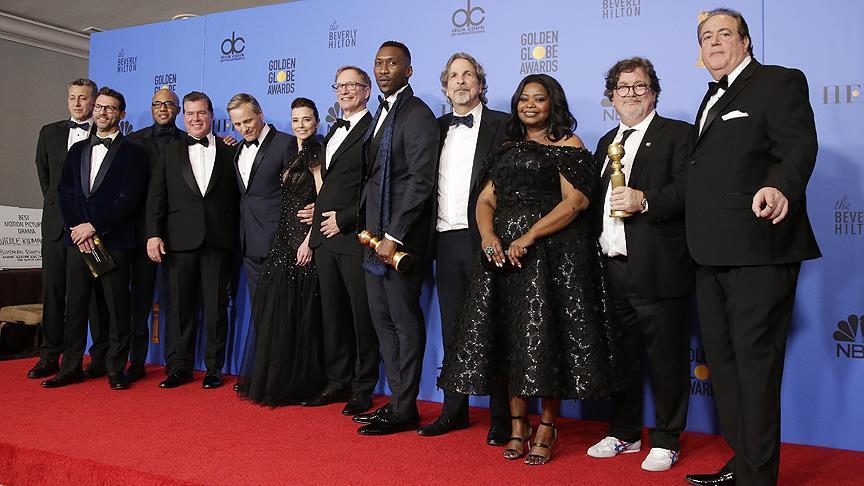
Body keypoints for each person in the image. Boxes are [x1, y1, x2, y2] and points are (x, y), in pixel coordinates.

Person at [438, 74, 617, 466]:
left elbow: (575, 202)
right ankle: (518, 428)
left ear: (553, 104)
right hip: (503, 259)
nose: (530, 105)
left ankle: (547, 428)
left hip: (550, 258)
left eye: (539, 98)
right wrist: (488, 236)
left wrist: (530, 235)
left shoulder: (569, 144)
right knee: (511, 341)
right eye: (524, 98)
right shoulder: (506, 147)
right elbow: (486, 199)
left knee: (545, 341)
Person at [684, 8, 820, 486]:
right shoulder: (710, 98)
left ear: (745, 42)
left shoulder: (778, 82)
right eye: (706, 36)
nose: (714, 42)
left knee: (755, 366)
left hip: (759, 249)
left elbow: (797, 147)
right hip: (708, 254)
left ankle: (757, 479)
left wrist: (781, 187)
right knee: (724, 368)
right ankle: (744, 463)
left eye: (725, 33)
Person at [585, 57, 694, 472]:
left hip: (659, 268)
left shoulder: (678, 135)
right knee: (621, 358)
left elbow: (689, 190)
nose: (630, 94)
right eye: (622, 87)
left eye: (639, 86)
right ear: (611, 96)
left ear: (654, 92)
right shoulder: (605, 143)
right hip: (611, 269)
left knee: (666, 360)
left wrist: (644, 199)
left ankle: (667, 439)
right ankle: (625, 433)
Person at [417, 52, 510, 444]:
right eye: (453, 76)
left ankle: (503, 418)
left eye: (467, 74)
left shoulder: (504, 125)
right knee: (453, 330)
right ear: (445, 87)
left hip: (487, 239)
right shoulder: (435, 129)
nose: (460, 81)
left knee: (496, 328)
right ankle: (454, 411)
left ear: (480, 84)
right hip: (444, 240)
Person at [353, 41, 439, 436]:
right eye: (378, 63)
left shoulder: (417, 113)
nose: (384, 69)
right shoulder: (382, 113)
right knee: (383, 321)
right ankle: (397, 401)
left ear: (409, 70)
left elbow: (420, 180)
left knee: (403, 322)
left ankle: (406, 408)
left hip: (398, 241)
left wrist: (393, 235)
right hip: (373, 238)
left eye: (392, 63)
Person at [44, 86, 149, 390]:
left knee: (117, 309)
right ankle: (70, 368)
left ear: (121, 114)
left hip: (114, 242)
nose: (103, 112)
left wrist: (94, 226)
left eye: (110, 108)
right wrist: (78, 229)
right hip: (79, 242)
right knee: (76, 307)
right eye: (100, 107)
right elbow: (64, 193)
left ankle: (116, 369)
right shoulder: (77, 150)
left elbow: (128, 198)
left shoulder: (134, 152)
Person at [145, 91, 240, 390]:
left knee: (215, 308)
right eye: (190, 113)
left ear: (211, 115)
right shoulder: (169, 152)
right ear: (182, 116)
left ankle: (214, 368)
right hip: (178, 240)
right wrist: (153, 234)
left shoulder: (230, 151)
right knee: (178, 308)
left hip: (218, 239)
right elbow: (156, 196)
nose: (195, 119)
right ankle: (178, 368)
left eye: (201, 113)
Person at [236, 97, 326, 405]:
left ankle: (302, 382)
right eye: (296, 120)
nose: (300, 125)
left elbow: (323, 196)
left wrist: (310, 239)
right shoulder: (292, 152)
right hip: (282, 239)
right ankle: (279, 377)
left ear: (317, 122)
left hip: (302, 240)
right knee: (280, 312)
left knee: (302, 313)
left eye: (306, 119)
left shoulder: (315, 153)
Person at [301, 66, 379, 415]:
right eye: (340, 86)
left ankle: (363, 387)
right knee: (332, 315)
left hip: (352, 236)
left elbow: (374, 185)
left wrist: (345, 219)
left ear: (367, 90)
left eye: (352, 85)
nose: (345, 91)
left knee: (361, 316)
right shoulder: (333, 129)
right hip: (324, 239)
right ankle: (337, 381)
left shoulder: (374, 129)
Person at [30, 78, 107, 380]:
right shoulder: (49, 132)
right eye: (72, 97)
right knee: (53, 293)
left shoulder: (105, 135)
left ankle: (97, 357)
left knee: (92, 297)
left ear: (94, 102)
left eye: (83, 98)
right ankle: (49, 356)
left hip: (89, 230)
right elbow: (46, 178)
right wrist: (61, 210)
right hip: (55, 226)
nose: (77, 103)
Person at [124, 88, 187, 382]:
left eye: (169, 104)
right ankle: (136, 362)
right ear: (151, 108)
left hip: (178, 232)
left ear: (177, 110)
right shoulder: (132, 141)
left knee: (177, 301)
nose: (163, 108)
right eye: (157, 104)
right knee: (139, 301)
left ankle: (175, 363)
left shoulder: (189, 141)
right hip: (141, 233)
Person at [227, 93, 298, 300]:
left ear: (260, 114)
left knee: (280, 307)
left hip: (278, 243)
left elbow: (296, 196)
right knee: (258, 307)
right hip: (249, 243)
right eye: (237, 124)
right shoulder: (238, 149)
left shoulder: (286, 143)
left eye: (248, 121)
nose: (244, 129)